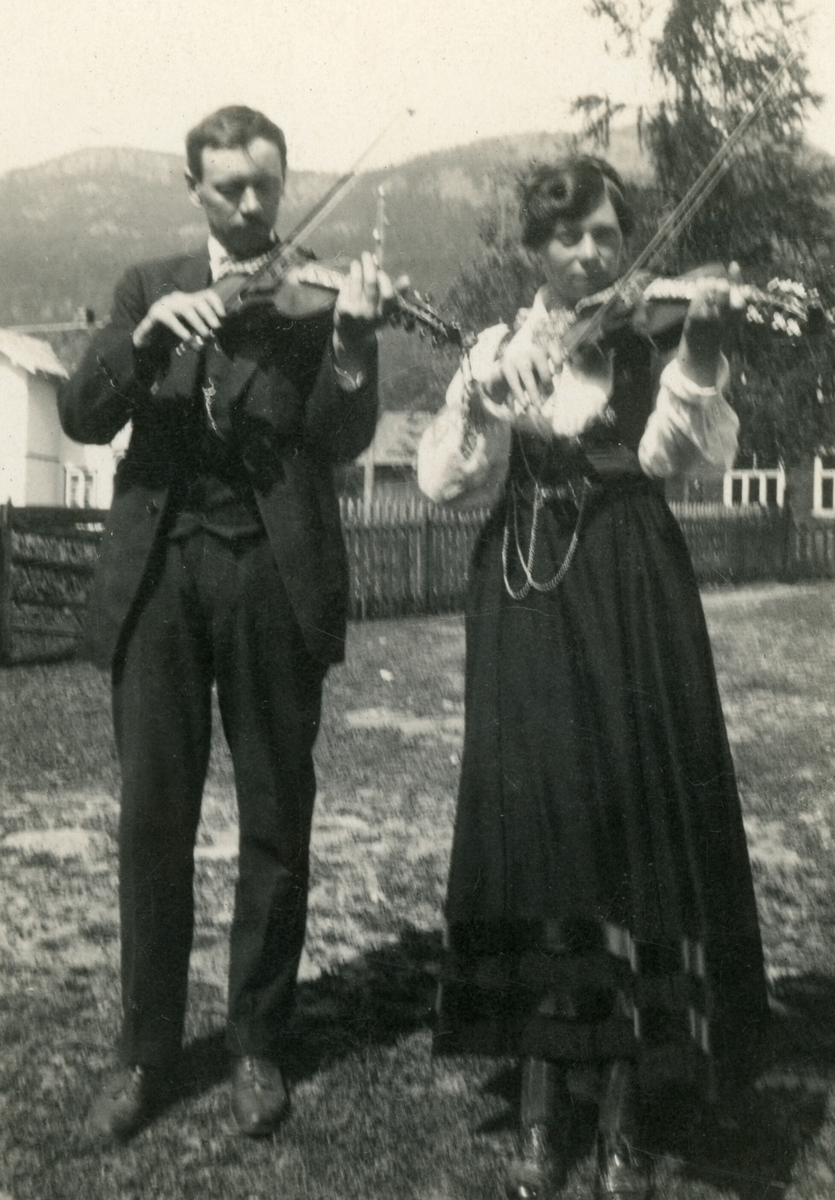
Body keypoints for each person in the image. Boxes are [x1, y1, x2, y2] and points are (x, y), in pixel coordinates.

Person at [417, 158, 768, 1200]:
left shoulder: (647, 335)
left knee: (625, 818)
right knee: (535, 826)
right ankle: (539, 1100)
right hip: (524, 593)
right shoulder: (492, 346)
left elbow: (676, 460)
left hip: (627, 582)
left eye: (609, 235)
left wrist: (700, 342)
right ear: (536, 247)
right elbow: (441, 482)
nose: (593, 254)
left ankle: (621, 1108)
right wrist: (479, 403)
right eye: (570, 237)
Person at [59, 105, 396, 1142]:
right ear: (194, 187)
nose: (252, 208)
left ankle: (256, 1044)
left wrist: (349, 349)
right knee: (154, 818)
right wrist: (143, 333)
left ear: (284, 180)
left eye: (267, 186)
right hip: (160, 573)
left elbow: (341, 439)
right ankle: (144, 1055)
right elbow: (82, 413)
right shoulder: (147, 285)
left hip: (270, 572)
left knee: (274, 813)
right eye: (229, 189)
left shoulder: (317, 297)